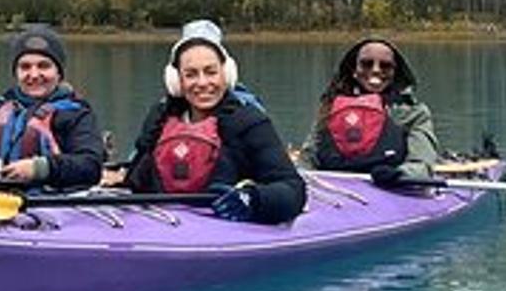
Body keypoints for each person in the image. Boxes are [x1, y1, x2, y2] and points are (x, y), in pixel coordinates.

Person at [121, 19, 306, 223]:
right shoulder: (159, 120)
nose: (202, 83)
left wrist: (252, 199)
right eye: (191, 74)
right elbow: (135, 180)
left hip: (224, 230)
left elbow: (292, 189)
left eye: (211, 72)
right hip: (163, 224)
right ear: (176, 81)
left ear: (226, 74)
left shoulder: (248, 121)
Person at [0, 24, 106, 189]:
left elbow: (91, 166)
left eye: (43, 66)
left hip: (49, 202)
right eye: (25, 67)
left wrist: (39, 168)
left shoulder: (77, 114)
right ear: (16, 73)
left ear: (59, 73)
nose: (34, 74)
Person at [302, 37, 442, 186]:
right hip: (332, 191)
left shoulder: (414, 113)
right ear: (354, 70)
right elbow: (308, 157)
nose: (376, 70)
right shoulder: (330, 107)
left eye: (385, 66)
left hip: (390, 189)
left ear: (395, 72)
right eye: (366, 64)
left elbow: (422, 163)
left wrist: (400, 175)